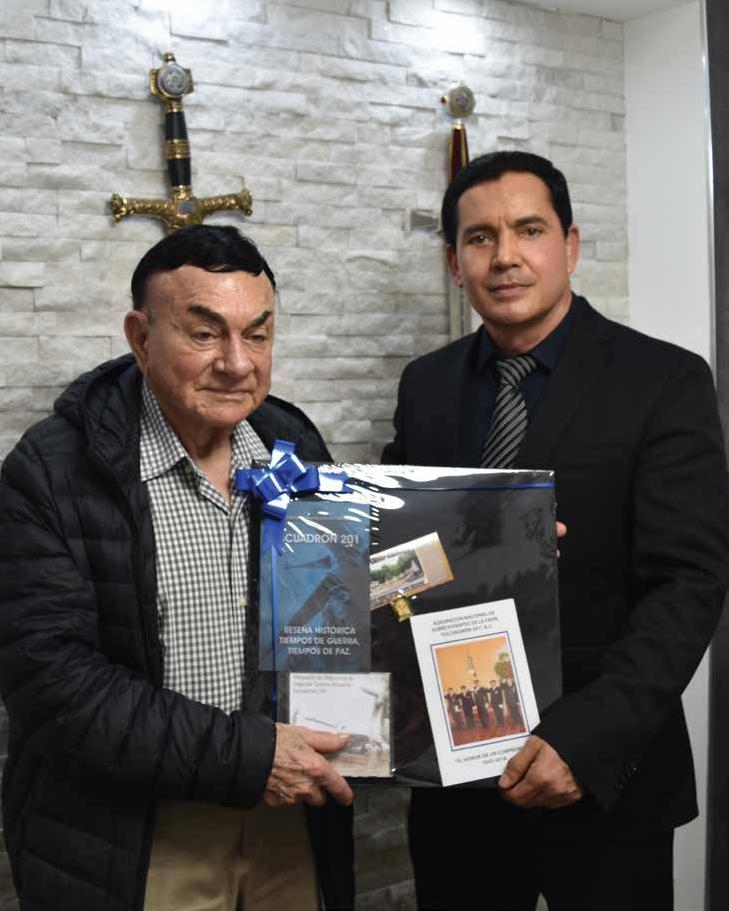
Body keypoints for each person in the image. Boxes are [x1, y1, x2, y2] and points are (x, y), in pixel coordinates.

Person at [382, 151, 729, 910]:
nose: (504, 256)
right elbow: (394, 552)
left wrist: (587, 739)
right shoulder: (426, 384)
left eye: (529, 230)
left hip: (606, 776)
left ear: (568, 245)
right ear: (454, 262)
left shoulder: (663, 379)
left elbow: (688, 583)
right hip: (455, 775)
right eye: (479, 238)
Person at [0, 225, 355, 911]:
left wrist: (492, 555)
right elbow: (51, 684)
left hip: (290, 824)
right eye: (204, 334)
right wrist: (249, 758)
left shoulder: (295, 445)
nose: (236, 363)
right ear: (140, 337)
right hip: (136, 837)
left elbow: (350, 608)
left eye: (257, 334)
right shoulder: (50, 471)